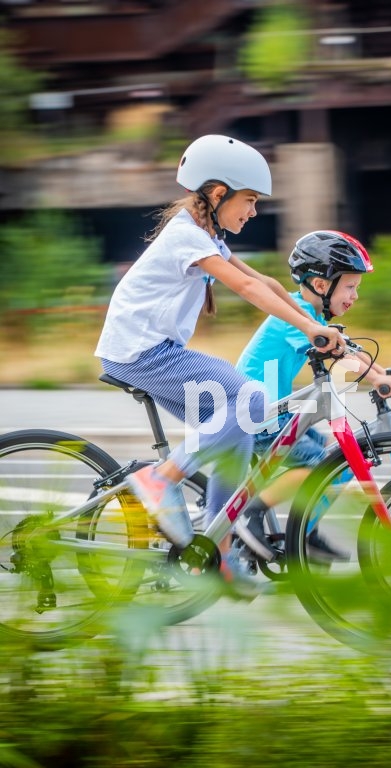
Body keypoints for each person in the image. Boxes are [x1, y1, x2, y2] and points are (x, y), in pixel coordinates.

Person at [95, 135, 345, 598]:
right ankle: (160, 478)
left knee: (239, 427)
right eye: (249, 200)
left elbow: (263, 281)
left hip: (152, 351)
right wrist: (312, 330)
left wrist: (317, 324)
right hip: (141, 352)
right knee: (250, 397)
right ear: (217, 193)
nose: (253, 211)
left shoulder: (204, 235)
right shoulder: (187, 237)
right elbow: (247, 292)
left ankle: (219, 552)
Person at [235, 229, 391, 565]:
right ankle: (250, 514)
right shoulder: (295, 316)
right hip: (258, 413)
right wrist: (375, 379)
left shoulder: (310, 315)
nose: (355, 295)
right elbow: (339, 354)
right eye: (350, 286)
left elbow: (350, 348)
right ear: (320, 285)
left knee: (337, 464)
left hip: (275, 414)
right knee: (320, 466)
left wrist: (382, 375)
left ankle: (304, 530)